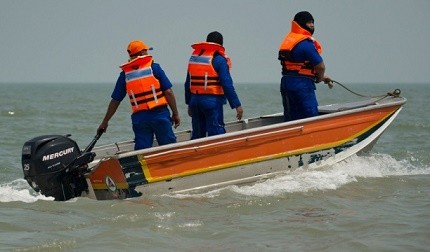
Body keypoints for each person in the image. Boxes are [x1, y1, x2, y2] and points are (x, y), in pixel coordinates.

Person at [97, 40, 180, 150]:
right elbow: (168, 92)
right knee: (169, 148)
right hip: (159, 115)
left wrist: (105, 122)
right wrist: (175, 114)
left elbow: (115, 100)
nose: (148, 53)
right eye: (146, 51)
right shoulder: (154, 68)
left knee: (142, 150)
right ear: (141, 53)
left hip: (140, 119)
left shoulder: (125, 75)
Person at [185, 31, 243, 139]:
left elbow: (187, 83)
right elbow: (227, 84)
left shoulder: (194, 59)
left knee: (197, 135)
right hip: (211, 102)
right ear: (221, 45)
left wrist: (189, 103)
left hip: (195, 102)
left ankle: (198, 155)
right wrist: (237, 105)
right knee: (216, 133)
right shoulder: (219, 60)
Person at [278, 11, 333, 122]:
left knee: (291, 117)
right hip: (302, 85)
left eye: (313, 22)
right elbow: (321, 66)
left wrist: (322, 76)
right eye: (309, 22)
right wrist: (320, 77)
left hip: (286, 83)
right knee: (310, 116)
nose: (312, 25)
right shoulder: (306, 43)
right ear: (301, 24)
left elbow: (297, 68)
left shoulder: (289, 41)